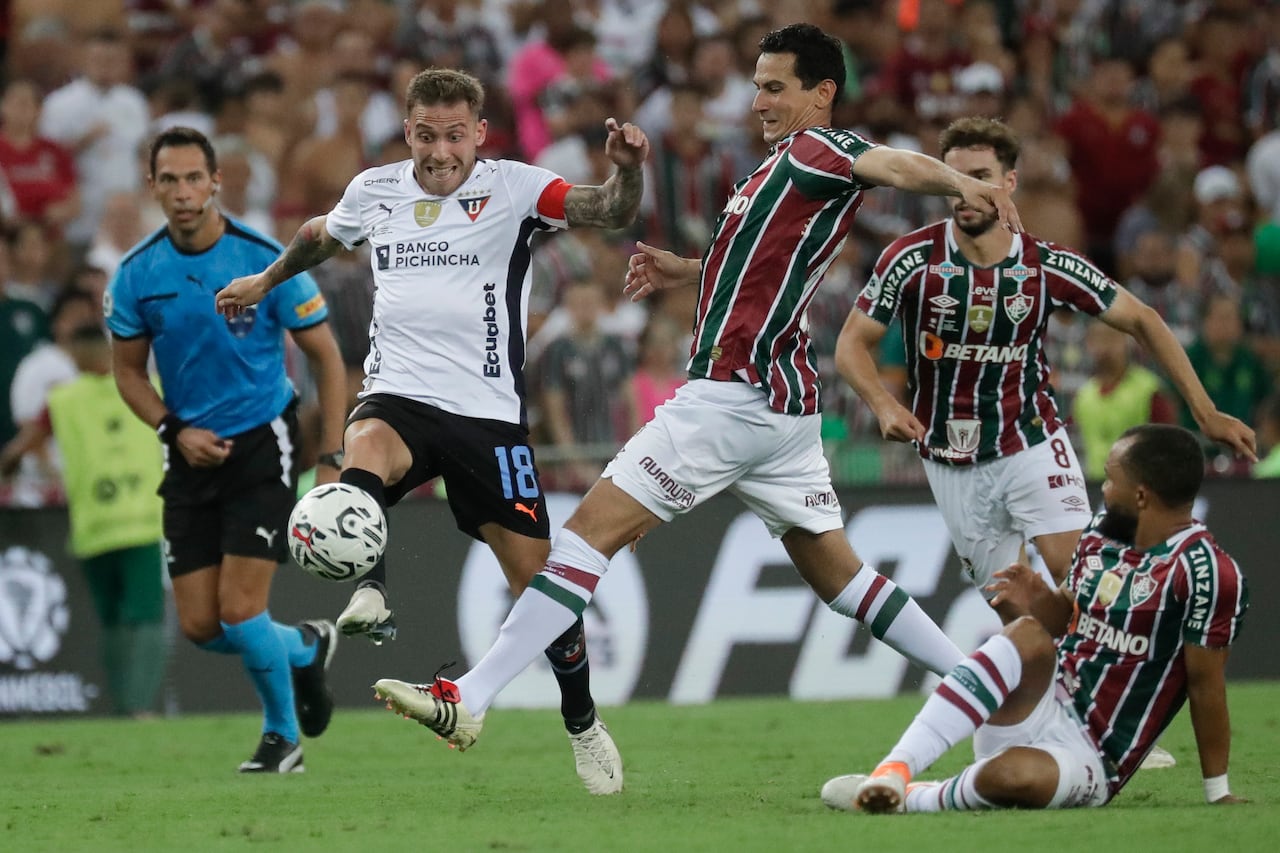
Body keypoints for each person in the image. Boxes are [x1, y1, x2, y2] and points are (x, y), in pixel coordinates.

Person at [357, 22, 1021, 762]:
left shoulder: (821, 149)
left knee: (582, 541)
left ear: (822, 93)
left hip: (731, 397)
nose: (759, 99)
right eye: (758, 83)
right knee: (842, 577)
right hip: (783, 406)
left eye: (776, 86)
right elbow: (757, 262)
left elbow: (889, 163)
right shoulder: (778, 171)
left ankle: (468, 696)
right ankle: (996, 689)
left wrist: (960, 181)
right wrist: (689, 269)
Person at [214, 68, 648, 795]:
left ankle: (582, 723)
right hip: (399, 395)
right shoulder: (377, 190)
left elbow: (605, 209)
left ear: (479, 133)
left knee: (539, 588)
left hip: (488, 418)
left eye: (454, 135)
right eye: (425, 134)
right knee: (362, 456)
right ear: (407, 131)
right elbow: (321, 235)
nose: (439, 151)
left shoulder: (514, 187)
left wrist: (627, 172)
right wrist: (267, 280)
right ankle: (373, 590)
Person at [834, 117, 1256, 624]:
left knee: (1076, 575)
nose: (965, 192)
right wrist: (883, 404)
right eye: (953, 179)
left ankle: (1147, 649)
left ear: (1009, 182)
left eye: (980, 176)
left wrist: (1205, 411)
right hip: (949, 459)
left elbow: (1142, 319)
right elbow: (852, 345)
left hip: (1029, 441)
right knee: (1022, 616)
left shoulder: (1043, 265)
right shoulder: (910, 259)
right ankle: (1064, 697)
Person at [822, 424, 1249, 813]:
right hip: (1041, 700)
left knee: (1011, 778)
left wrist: (1218, 790)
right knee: (1025, 632)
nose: (1104, 489)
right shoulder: (1102, 532)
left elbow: (1205, 684)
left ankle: (912, 798)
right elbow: (1069, 621)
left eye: (1112, 478)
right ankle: (893, 770)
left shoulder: (1207, 572)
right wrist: (1040, 599)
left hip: (1094, 755)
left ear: (1141, 495)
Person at [107, 126, 346, 773]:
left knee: (241, 611)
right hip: (186, 453)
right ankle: (302, 648)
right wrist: (172, 429)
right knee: (202, 626)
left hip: (262, 444)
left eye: (194, 178)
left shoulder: (266, 259)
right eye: (170, 180)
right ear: (152, 186)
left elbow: (326, 355)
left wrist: (332, 455)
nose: (183, 192)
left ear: (216, 183)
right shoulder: (137, 275)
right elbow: (128, 371)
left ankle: (281, 736)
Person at [1, 324, 169, 716]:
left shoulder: (61, 400)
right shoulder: (151, 386)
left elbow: (20, 449)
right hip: (142, 521)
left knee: (111, 619)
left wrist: (10, 470)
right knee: (145, 616)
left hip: (95, 526)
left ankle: (123, 704)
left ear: (76, 352)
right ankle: (139, 707)